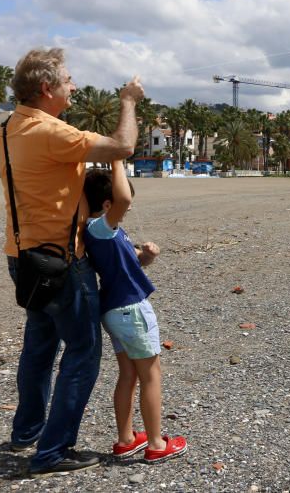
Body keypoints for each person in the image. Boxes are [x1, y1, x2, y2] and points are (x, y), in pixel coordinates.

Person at [0, 48, 144, 477]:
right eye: (67, 80)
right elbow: (123, 146)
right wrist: (128, 101)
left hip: (22, 256)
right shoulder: (50, 132)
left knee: (39, 345)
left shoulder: (6, 129)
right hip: (62, 262)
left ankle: (27, 432)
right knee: (82, 350)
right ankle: (53, 450)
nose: (73, 86)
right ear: (47, 89)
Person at [83, 162, 187, 463]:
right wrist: (118, 157)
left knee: (128, 374)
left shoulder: (103, 231)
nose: (127, 209)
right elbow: (124, 198)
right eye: (121, 206)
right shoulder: (100, 227)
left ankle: (126, 439)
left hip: (115, 309)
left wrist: (147, 256)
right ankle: (157, 444)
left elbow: (128, 265)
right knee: (151, 375)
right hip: (130, 310)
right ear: (107, 204)